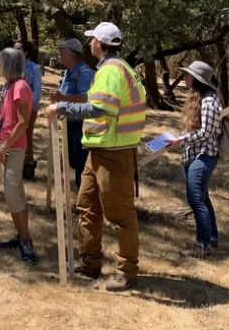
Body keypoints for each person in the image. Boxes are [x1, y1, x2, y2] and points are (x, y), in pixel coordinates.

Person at [45, 22, 146, 291]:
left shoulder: (112, 71)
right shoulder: (117, 68)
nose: (90, 44)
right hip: (99, 150)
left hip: (114, 153)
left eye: (92, 40)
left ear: (99, 44)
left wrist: (61, 106)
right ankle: (89, 262)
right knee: (86, 205)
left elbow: (100, 108)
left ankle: (127, 271)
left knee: (121, 214)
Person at [0, 48, 36, 264]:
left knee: (12, 195)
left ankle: (25, 242)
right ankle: (21, 236)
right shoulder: (10, 87)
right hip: (7, 146)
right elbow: (2, 118)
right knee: (15, 193)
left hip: (14, 148)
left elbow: (24, 122)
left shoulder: (20, 87)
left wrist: (5, 146)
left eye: (0, 60)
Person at [167, 61, 222, 258]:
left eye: (188, 75)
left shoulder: (209, 101)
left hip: (203, 155)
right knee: (203, 198)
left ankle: (203, 245)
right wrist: (177, 137)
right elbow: (194, 129)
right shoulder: (198, 99)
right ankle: (212, 238)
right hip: (193, 154)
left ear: (198, 79)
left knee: (195, 198)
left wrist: (179, 139)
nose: (185, 78)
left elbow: (206, 132)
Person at [50, 38, 95, 190]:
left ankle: (86, 201)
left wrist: (62, 98)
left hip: (80, 125)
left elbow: (86, 98)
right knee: (74, 163)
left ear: (70, 54)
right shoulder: (68, 72)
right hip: (68, 124)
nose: (59, 54)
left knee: (82, 165)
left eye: (61, 51)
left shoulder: (84, 73)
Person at [13, 41, 42, 180]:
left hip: (29, 110)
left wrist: (29, 109)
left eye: (18, 49)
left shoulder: (34, 68)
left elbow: (37, 92)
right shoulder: (13, 67)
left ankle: (28, 167)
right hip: (14, 109)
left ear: (25, 52)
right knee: (15, 137)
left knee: (26, 137)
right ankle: (15, 167)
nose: (15, 51)